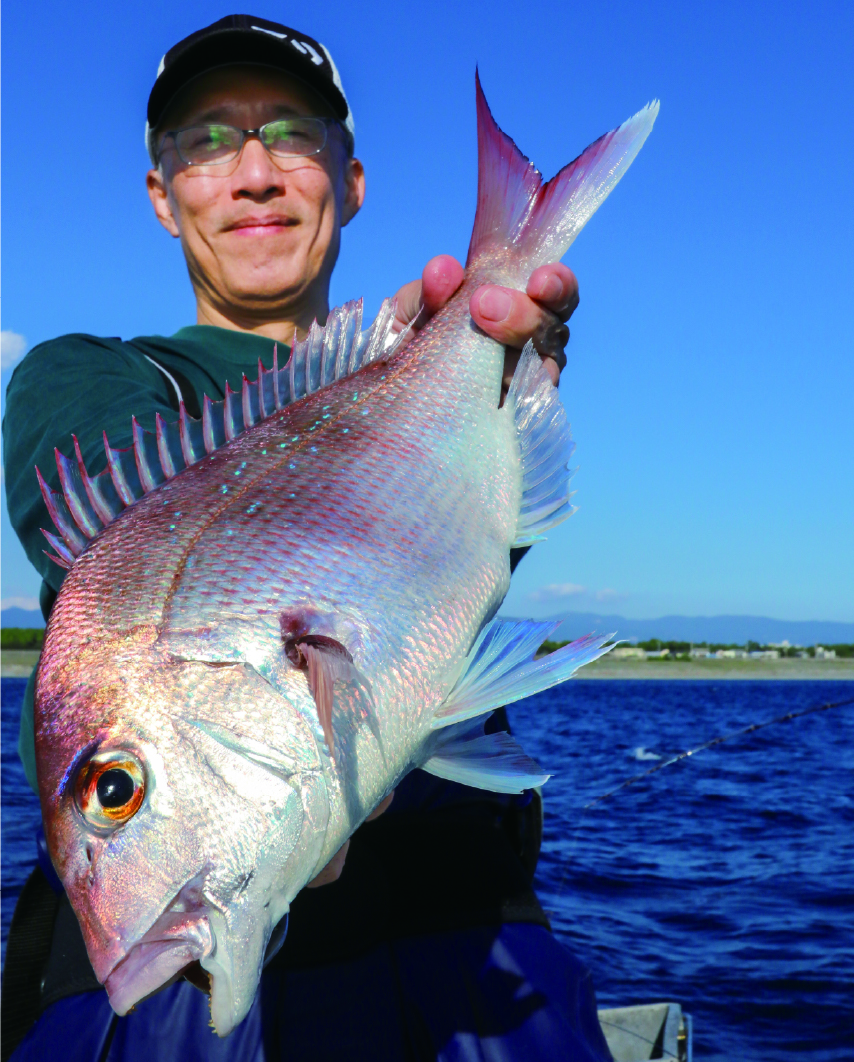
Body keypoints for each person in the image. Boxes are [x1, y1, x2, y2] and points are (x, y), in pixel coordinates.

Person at [2, 15, 612, 1061]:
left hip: (460, 930)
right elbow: (116, 585)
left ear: (352, 179)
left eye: (290, 134)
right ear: (163, 195)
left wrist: (492, 387)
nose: (251, 174)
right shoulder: (86, 381)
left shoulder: (431, 372)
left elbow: (447, 597)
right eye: (204, 141)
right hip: (167, 999)